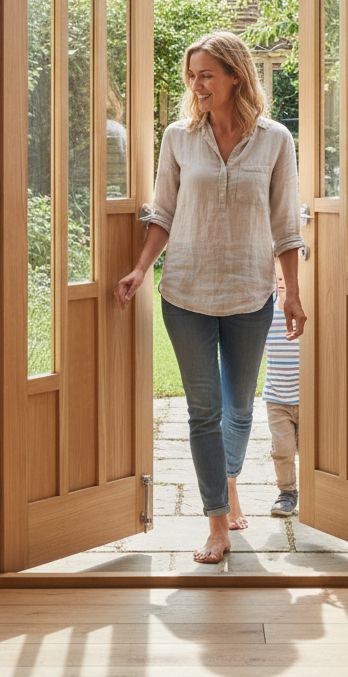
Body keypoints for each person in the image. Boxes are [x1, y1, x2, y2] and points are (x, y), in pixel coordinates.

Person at [114, 31, 307, 564]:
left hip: (250, 293)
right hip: (185, 291)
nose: (196, 86)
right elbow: (164, 213)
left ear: (234, 77)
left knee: (239, 408)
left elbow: (286, 222)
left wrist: (291, 293)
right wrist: (139, 269)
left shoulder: (275, 141)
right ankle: (216, 521)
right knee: (204, 412)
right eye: (191, 76)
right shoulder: (178, 137)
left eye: (206, 75)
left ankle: (228, 484)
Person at [262, 264, 300, 517]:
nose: (282, 282)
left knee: (314, 451)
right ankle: (287, 493)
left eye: (286, 277)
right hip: (276, 397)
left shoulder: (303, 313)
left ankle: (322, 491)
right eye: (277, 278)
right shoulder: (265, 316)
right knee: (282, 451)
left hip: (308, 396)